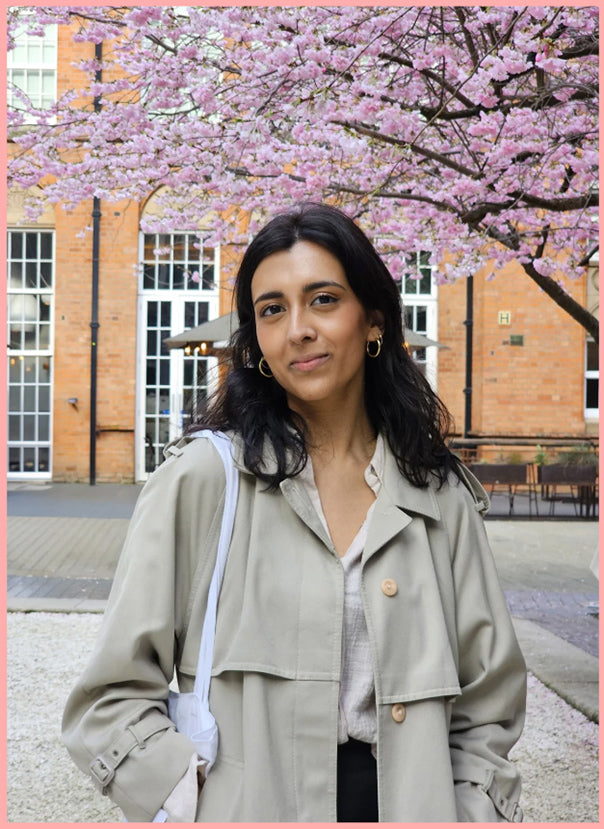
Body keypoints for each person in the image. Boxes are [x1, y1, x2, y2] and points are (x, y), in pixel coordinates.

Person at [62, 202, 526, 822]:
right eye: (272, 310)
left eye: (324, 299)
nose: (298, 329)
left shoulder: (439, 496)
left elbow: (488, 707)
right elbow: (109, 698)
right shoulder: (204, 480)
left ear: (373, 321)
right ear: (256, 341)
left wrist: (470, 811)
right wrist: (189, 800)